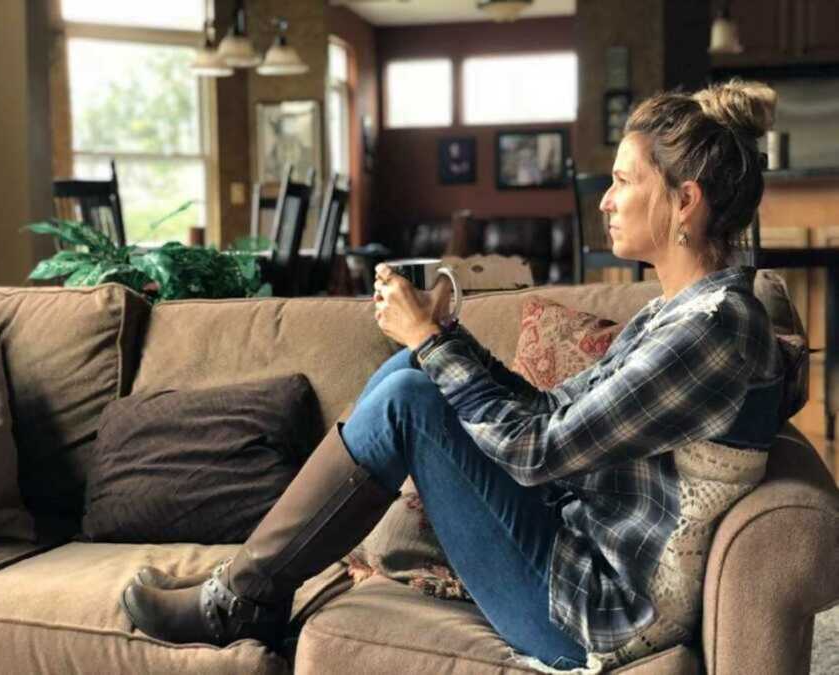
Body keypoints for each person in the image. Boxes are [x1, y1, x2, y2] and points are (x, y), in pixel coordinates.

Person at [120, 79, 804, 671]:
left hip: (594, 616)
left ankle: (235, 599)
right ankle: (245, 591)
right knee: (409, 370)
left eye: (625, 181)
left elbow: (539, 450)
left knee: (413, 393)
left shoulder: (713, 329)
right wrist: (442, 339)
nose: (606, 199)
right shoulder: (680, 314)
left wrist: (430, 343)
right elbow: (550, 409)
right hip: (568, 552)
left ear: (685, 202)